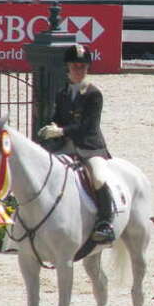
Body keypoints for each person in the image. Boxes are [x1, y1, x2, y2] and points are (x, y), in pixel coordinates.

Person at [38, 44, 117, 243]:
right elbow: (57, 117)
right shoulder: (62, 93)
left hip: (90, 147)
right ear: (68, 68)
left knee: (98, 178)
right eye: (75, 67)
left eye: (82, 67)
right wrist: (52, 127)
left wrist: (61, 130)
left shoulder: (93, 94)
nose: (78, 71)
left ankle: (106, 223)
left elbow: (88, 125)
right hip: (65, 146)